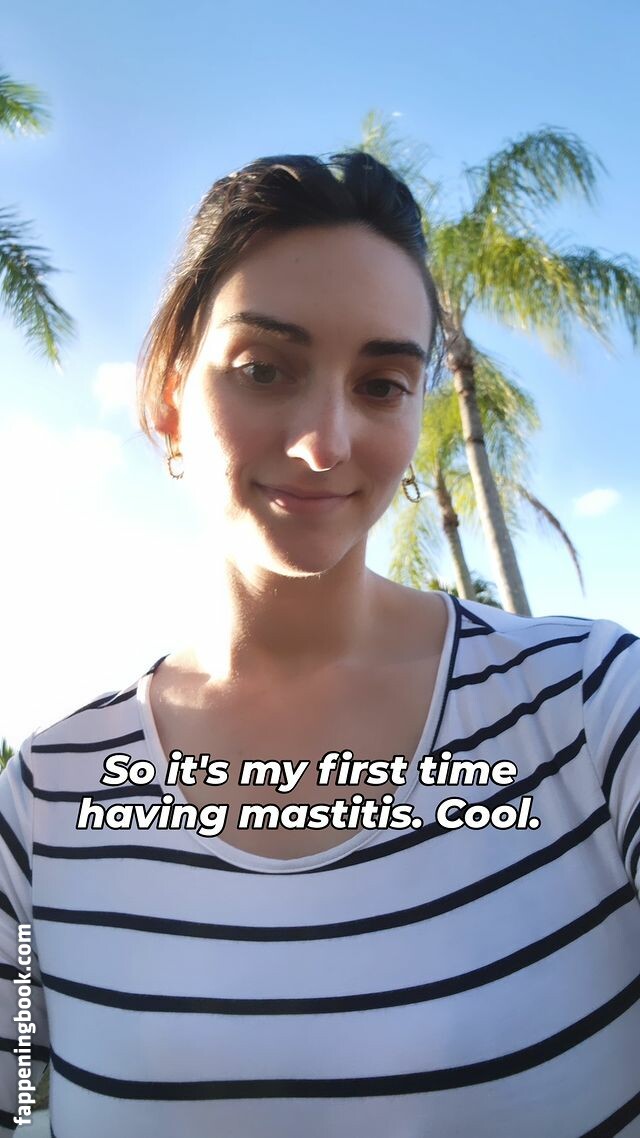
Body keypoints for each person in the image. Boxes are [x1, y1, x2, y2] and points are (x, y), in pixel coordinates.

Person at [0, 152, 638, 1138]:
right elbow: (19, 1099)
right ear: (168, 397)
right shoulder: (44, 799)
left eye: (381, 384)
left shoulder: (592, 708)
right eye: (264, 369)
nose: (325, 442)